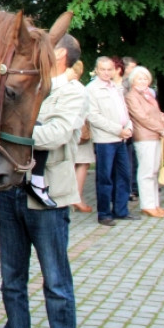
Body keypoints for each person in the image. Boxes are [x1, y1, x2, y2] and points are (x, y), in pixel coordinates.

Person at [0, 33, 83, 328]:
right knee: (11, 280)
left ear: (60, 54)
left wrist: (13, 130)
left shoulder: (73, 92)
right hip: (11, 193)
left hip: (48, 199)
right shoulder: (26, 86)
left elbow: (57, 134)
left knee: (56, 281)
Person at [86, 56, 138, 226]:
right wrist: (118, 130)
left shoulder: (116, 87)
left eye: (110, 69)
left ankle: (121, 210)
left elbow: (124, 111)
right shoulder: (91, 89)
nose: (107, 73)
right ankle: (104, 213)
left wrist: (129, 127)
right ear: (97, 70)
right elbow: (93, 116)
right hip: (105, 140)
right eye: (103, 69)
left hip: (121, 139)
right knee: (105, 178)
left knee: (124, 175)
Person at [124, 66, 164, 217]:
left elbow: (159, 113)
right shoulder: (131, 96)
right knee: (146, 172)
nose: (143, 81)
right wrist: (160, 128)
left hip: (156, 136)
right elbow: (142, 117)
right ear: (133, 80)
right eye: (140, 78)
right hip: (144, 138)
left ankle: (155, 204)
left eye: (145, 78)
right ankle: (147, 205)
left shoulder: (148, 95)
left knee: (154, 171)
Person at [69, 60, 94, 213]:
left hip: (66, 131)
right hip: (79, 131)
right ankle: (76, 197)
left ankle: (69, 197)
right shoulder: (79, 88)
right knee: (82, 163)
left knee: (70, 163)